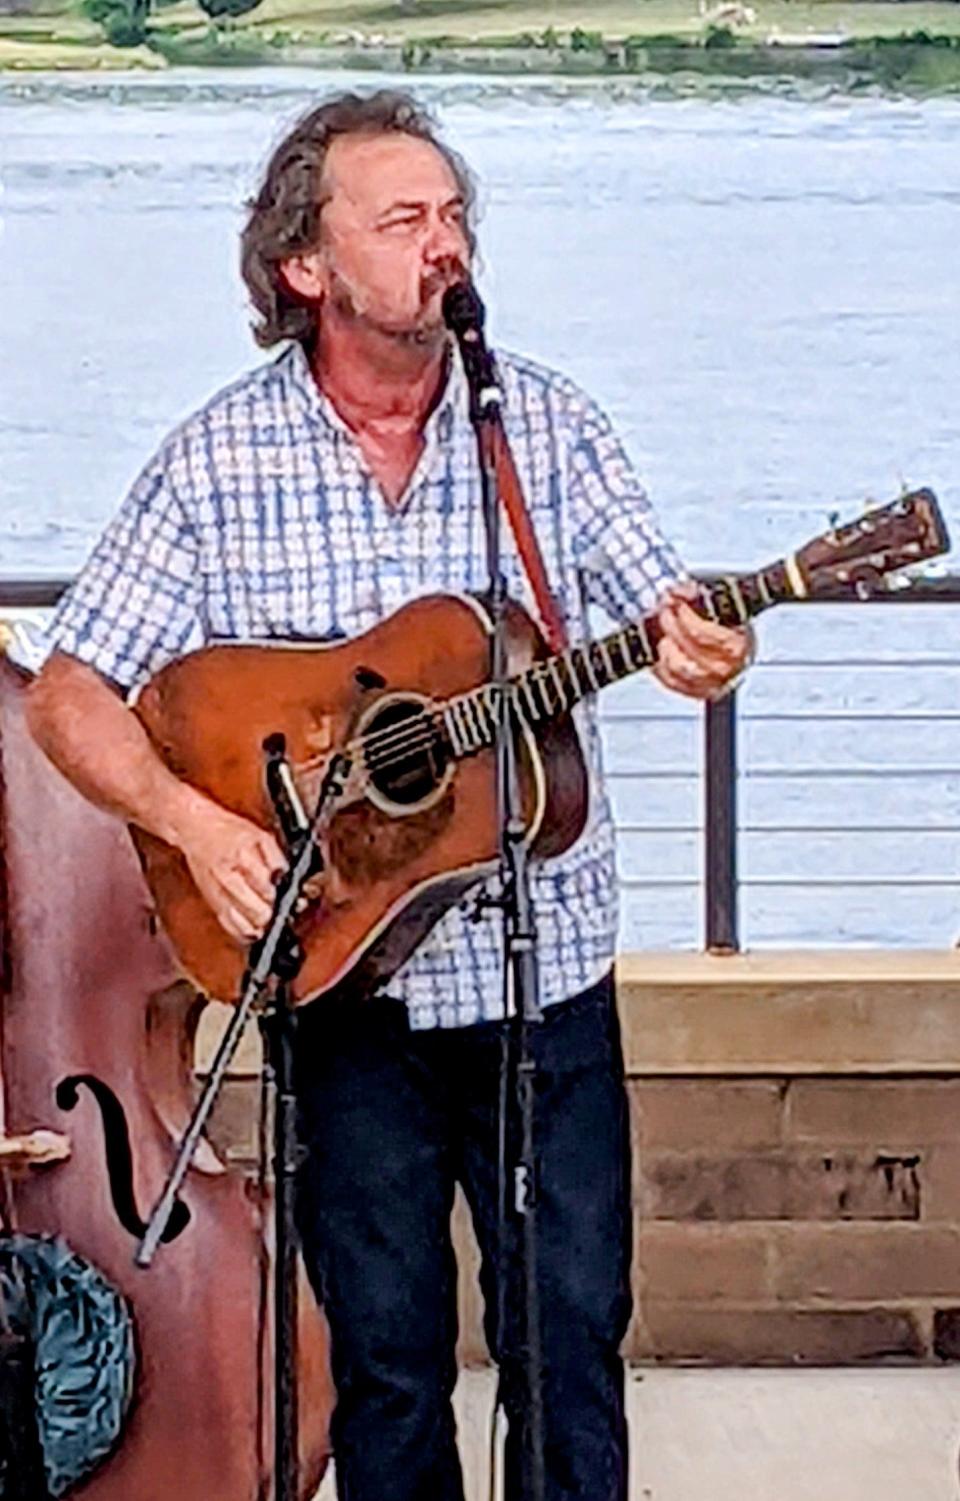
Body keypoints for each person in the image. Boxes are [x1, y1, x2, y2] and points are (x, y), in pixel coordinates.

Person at [26, 90, 752, 1501]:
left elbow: (657, 607)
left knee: (568, 1339)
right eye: (405, 218)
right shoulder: (218, 460)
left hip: (544, 980)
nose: (445, 245)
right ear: (307, 264)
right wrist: (200, 825)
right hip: (343, 986)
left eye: (456, 216)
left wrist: (704, 641)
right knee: (391, 1359)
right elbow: (68, 694)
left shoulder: (539, 426)